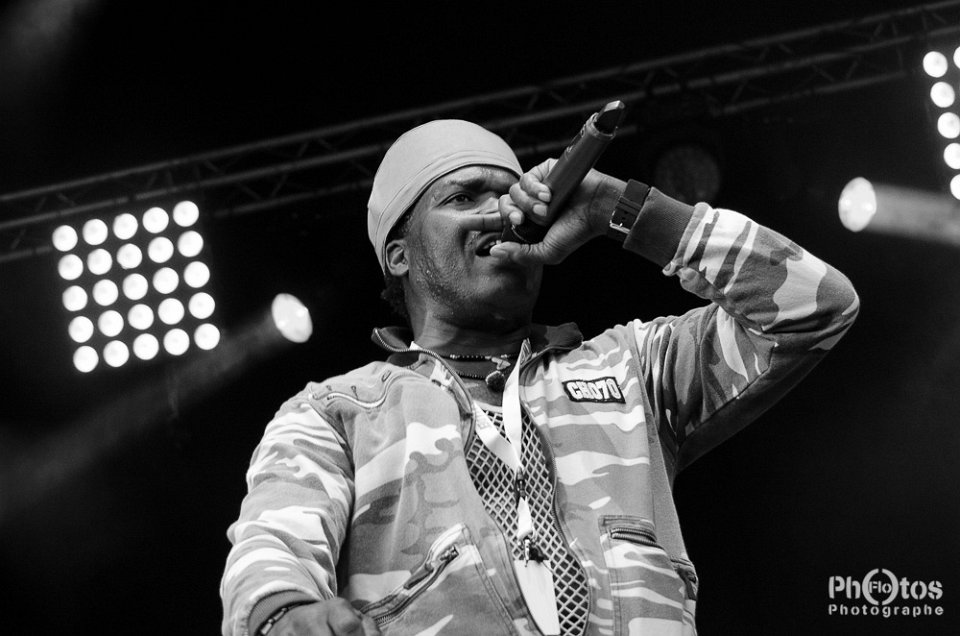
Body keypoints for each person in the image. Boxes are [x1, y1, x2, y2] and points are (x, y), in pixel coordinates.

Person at [220, 117, 859, 636]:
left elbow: (818, 306)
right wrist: (284, 613)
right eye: (463, 197)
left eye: (510, 194)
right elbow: (273, 549)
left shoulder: (632, 367)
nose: (502, 212)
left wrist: (620, 207)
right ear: (399, 253)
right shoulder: (338, 412)